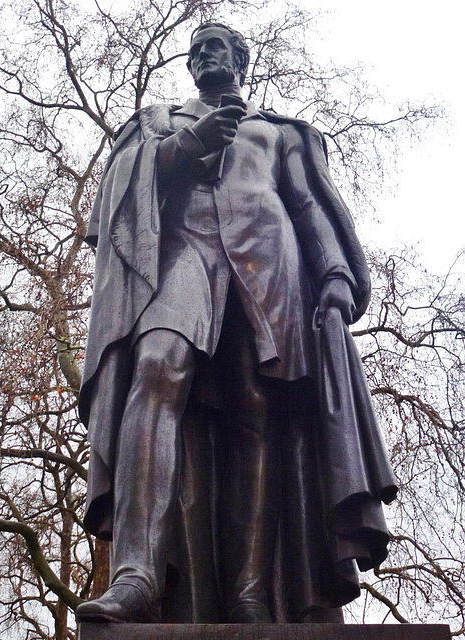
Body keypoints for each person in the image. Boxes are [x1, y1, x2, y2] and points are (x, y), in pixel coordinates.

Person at [76, 23, 397, 625]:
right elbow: (116, 199)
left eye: (215, 45)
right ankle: (137, 573)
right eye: (194, 50)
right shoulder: (159, 124)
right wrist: (183, 147)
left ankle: (253, 592)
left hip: (268, 264)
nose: (202, 55)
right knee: (157, 366)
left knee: (259, 409)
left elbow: (307, 204)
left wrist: (334, 276)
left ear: (243, 60)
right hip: (181, 257)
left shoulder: (279, 133)